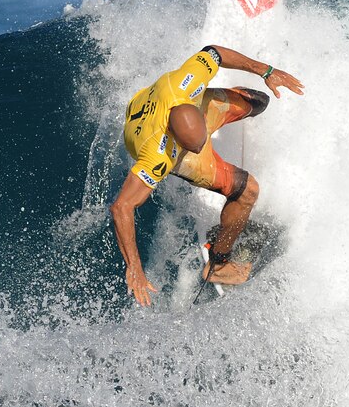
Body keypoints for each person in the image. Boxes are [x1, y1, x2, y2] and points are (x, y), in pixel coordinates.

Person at [109, 45, 304, 306]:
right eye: (198, 146)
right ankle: (219, 263)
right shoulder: (158, 155)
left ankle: (215, 118)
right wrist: (134, 266)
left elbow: (215, 51)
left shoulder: (186, 82)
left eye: (203, 141)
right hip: (163, 139)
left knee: (257, 101)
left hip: (177, 107)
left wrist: (265, 71)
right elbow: (122, 207)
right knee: (248, 191)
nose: (204, 147)